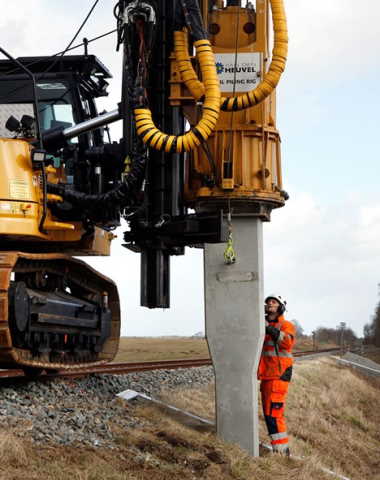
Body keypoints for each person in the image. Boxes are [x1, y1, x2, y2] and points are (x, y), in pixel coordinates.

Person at [258, 294, 296, 455]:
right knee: (269, 414)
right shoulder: (263, 325)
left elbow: (287, 343)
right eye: (267, 303)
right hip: (267, 376)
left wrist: (270, 329)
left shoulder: (286, 325)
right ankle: (279, 449)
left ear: (281, 306)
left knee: (274, 414)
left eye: (273, 302)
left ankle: (282, 452)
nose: (269, 305)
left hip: (278, 376)